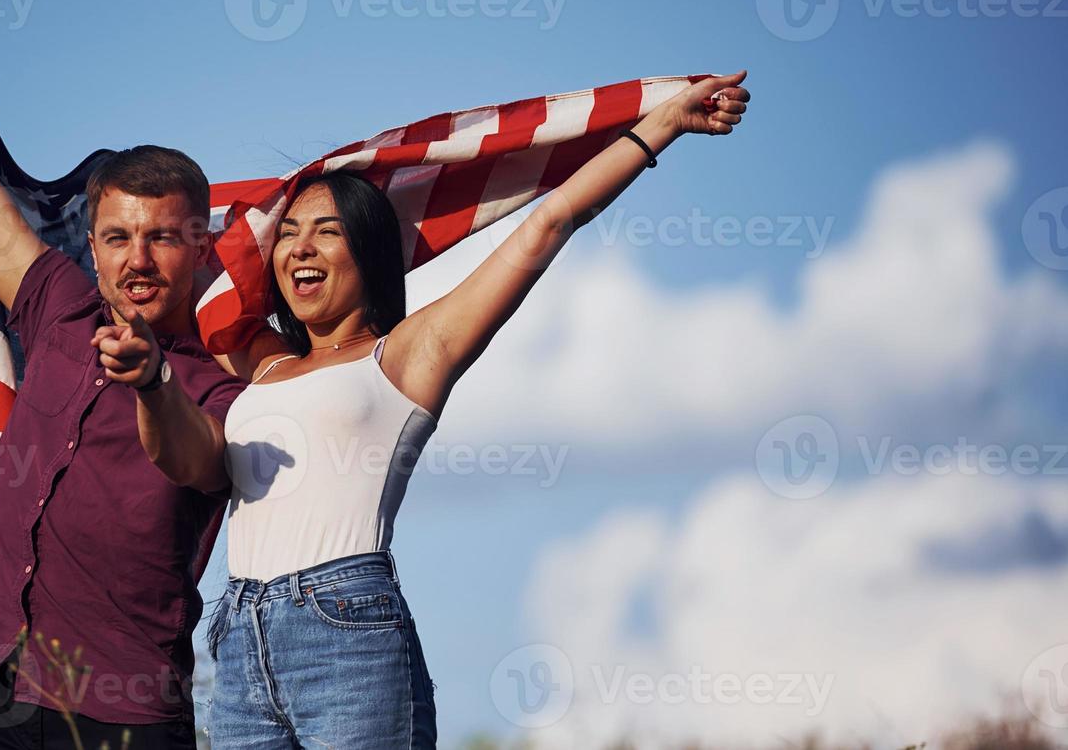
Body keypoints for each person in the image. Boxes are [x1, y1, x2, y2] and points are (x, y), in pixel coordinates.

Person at [111, 71, 753, 747]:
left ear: (367, 250)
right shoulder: (260, 359)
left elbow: (548, 224)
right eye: (290, 233)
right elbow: (171, 277)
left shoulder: (410, 354)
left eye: (326, 232)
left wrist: (663, 125)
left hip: (346, 632)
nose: (299, 247)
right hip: (239, 636)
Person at [0, 0, 281, 749]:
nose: (137, 259)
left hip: (119, 715)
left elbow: (195, 459)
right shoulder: (56, 304)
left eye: (162, 239)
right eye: (119, 237)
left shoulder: (225, 390)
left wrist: (152, 381)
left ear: (201, 250)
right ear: (89, 248)